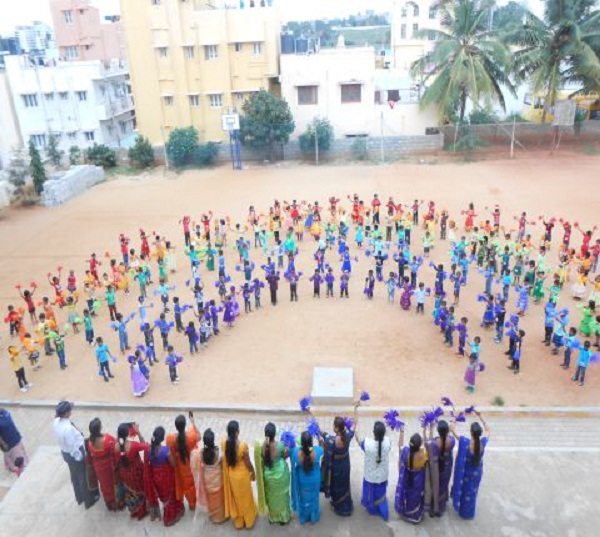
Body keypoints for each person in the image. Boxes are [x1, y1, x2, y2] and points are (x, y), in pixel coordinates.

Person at [53, 401, 99, 508]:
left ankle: (79, 497)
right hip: (74, 455)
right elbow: (74, 447)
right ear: (65, 413)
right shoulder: (68, 429)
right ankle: (88, 501)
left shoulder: (56, 422)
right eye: (69, 410)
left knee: (74, 476)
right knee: (83, 478)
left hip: (65, 452)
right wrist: (81, 457)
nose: (71, 411)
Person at [449, 411, 490, 519]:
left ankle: (461, 508)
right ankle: (468, 513)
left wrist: (456, 417)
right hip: (476, 473)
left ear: (471, 432)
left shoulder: (465, 442)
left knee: (464, 489)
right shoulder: (483, 442)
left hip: (465, 473)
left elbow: (451, 429)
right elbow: (488, 430)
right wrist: (481, 416)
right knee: (472, 492)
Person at [314, 412, 355, 516]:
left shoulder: (330, 440)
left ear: (336, 428)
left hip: (336, 466)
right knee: (344, 484)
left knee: (336, 485)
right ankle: (346, 505)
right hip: (345, 464)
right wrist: (356, 409)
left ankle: (338, 506)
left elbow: (322, 434)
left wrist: (316, 425)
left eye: (334, 425)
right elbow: (354, 426)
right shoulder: (348, 436)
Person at [145, 426, 185, 526]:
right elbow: (173, 464)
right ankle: (170, 517)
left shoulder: (149, 450)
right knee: (171, 496)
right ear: (162, 439)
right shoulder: (165, 451)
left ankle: (169, 512)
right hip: (166, 477)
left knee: (164, 497)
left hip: (156, 477)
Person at [221, 420, 258, 529]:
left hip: (232, 475)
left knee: (237, 498)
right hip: (243, 476)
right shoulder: (242, 446)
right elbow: (248, 463)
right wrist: (253, 471)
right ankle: (249, 522)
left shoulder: (224, 443)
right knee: (246, 498)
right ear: (237, 432)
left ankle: (239, 522)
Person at [355, 416, 391, 521]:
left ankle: (372, 508)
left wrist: (355, 429)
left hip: (370, 476)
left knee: (371, 492)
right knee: (381, 493)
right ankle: (381, 508)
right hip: (383, 476)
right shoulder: (388, 442)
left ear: (373, 432)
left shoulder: (367, 444)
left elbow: (358, 440)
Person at [255, 422, 291, 524]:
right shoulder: (280, 445)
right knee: (282, 496)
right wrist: (287, 450)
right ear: (275, 434)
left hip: (268, 476)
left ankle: (273, 517)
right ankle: (283, 518)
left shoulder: (263, 447)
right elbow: (284, 456)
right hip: (280, 474)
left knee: (272, 497)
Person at [191, 428, 227, 523]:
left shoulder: (202, 453)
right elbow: (221, 463)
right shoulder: (216, 453)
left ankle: (213, 516)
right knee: (219, 497)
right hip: (217, 478)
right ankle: (221, 517)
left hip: (207, 479)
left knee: (211, 498)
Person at [166, 414, 200, 511]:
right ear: (185, 425)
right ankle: (196, 502)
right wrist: (193, 422)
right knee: (194, 485)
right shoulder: (191, 436)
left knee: (186, 487)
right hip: (191, 467)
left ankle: (191, 504)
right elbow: (199, 436)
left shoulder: (170, 439)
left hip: (181, 469)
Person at [395, 429, 428, 524]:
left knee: (408, 496)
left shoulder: (406, 453)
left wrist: (402, 432)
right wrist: (425, 431)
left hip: (407, 479)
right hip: (418, 481)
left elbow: (400, 446)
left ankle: (407, 513)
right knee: (416, 496)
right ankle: (416, 516)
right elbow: (429, 444)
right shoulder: (424, 454)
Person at [290, 431, 324, 525]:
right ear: (311, 442)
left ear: (301, 442)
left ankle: (304, 516)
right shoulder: (317, 451)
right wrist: (319, 438)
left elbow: (289, 451)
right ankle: (313, 516)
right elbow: (322, 447)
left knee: (304, 498)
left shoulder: (295, 453)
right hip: (315, 479)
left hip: (302, 479)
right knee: (314, 497)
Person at [87, 417, 121, 511]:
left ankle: (109, 502)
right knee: (113, 483)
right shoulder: (107, 439)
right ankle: (116, 501)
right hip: (109, 466)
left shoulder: (90, 442)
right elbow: (116, 447)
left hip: (98, 467)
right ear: (99, 428)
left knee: (104, 484)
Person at [115, 422, 147, 520]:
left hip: (124, 472)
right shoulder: (133, 445)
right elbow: (145, 445)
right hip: (135, 472)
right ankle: (142, 511)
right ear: (127, 434)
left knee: (130, 491)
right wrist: (138, 433)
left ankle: (133, 509)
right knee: (139, 491)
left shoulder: (116, 445)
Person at [425, 420, 456, 517]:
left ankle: (433, 506)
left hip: (435, 468)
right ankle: (441, 507)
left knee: (434, 485)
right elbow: (448, 437)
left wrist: (430, 428)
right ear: (447, 431)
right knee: (443, 484)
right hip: (446, 466)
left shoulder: (434, 443)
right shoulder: (452, 441)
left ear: (438, 432)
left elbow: (428, 443)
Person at [0, 408, 29, 474]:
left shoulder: (4, 412)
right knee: (11, 454)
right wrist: (3, 444)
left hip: (15, 436)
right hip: (8, 441)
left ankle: (15, 464)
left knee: (20, 450)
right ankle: (13, 467)